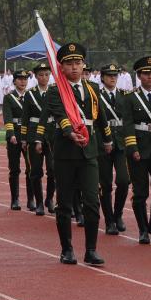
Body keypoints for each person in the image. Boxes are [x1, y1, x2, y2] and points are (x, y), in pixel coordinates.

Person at [45, 42, 112, 266]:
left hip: (89, 151)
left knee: (92, 202)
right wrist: (69, 132)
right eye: (69, 64)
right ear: (61, 67)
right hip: (66, 151)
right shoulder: (56, 90)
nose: (74, 67)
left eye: (78, 63)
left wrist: (108, 138)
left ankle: (91, 250)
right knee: (64, 204)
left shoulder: (92, 88)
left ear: (84, 64)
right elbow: (60, 115)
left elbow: (99, 115)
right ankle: (67, 249)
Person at [120, 55, 151, 244]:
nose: (150, 77)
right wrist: (132, 147)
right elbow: (128, 124)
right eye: (146, 73)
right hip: (139, 148)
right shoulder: (130, 97)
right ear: (139, 75)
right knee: (140, 191)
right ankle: (142, 229)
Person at [97, 63, 130, 235]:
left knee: (124, 180)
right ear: (102, 77)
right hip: (103, 144)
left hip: (121, 143)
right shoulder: (97, 96)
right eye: (109, 75)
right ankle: (109, 220)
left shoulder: (124, 95)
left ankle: (118, 214)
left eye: (115, 75)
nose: (113, 78)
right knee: (105, 184)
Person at [23, 61, 55, 216]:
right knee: (36, 171)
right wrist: (24, 138)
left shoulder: (54, 91)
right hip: (34, 133)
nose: (44, 77)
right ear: (36, 76)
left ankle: (50, 199)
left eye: (47, 74)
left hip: (51, 134)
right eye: (41, 75)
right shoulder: (30, 94)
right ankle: (39, 202)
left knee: (53, 170)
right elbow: (25, 118)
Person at [2, 69, 30, 211]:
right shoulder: (9, 98)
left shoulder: (31, 96)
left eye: (25, 79)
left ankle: (31, 200)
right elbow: (7, 117)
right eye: (20, 79)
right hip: (14, 136)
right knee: (14, 169)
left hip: (28, 136)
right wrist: (11, 133)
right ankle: (15, 199)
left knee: (31, 169)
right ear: (14, 81)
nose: (23, 81)